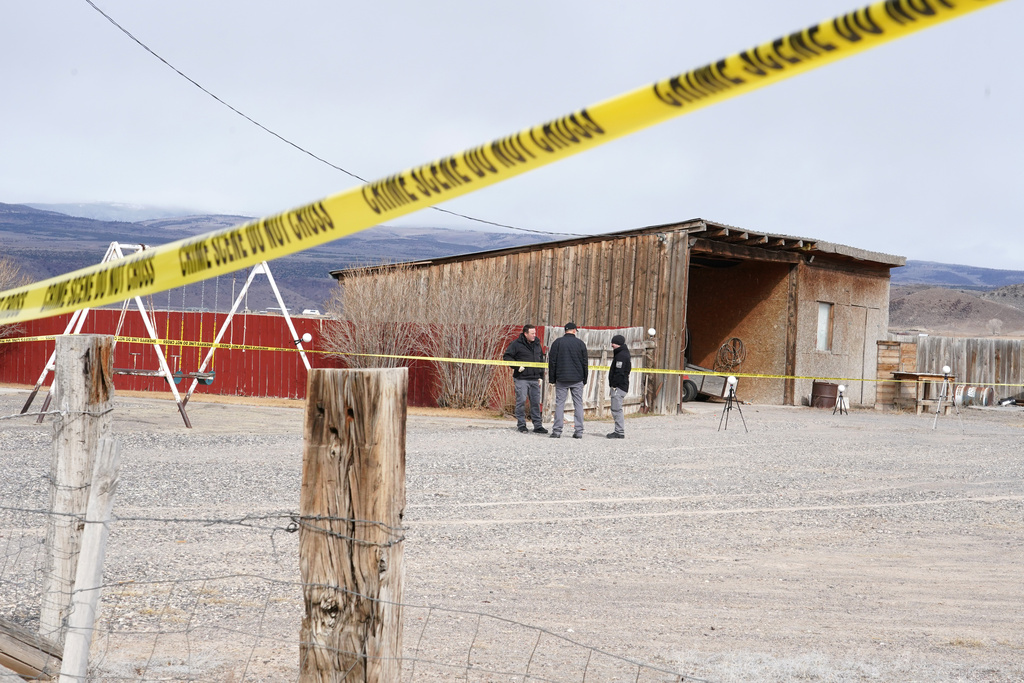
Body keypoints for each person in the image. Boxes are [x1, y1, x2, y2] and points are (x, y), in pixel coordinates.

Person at [502, 324, 547, 434]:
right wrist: (517, 367)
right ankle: (521, 425)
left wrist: (540, 376)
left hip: (535, 378)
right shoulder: (516, 344)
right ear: (525, 333)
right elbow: (507, 357)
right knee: (521, 401)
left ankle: (538, 425)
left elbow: (540, 360)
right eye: (532, 333)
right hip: (521, 378)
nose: (534, 335)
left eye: (535, 333)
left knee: (536, 402)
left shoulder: (537, 344)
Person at [547, 322, 589, 439]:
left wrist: (552, 379)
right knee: (578, 404)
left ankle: (557, 431)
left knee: (560, 404)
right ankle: (579, 431)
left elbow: (552, 362)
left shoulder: (557, 343)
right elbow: (585, 363)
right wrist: (584, 379)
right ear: (574, 330)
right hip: (577, 378)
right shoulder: (580, 344)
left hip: (562, 378)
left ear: (565, 330)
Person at [606, 334, 632, 439]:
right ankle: (618, 430)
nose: (611, 345)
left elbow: (619, 372)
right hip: (621, 386)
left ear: (618, 344)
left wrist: (614, 385)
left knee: (616, 409)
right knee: (616, 408)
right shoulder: (622, 353)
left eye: (613, 343)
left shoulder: (621, 355)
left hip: (619, 387)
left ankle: (619, 431)